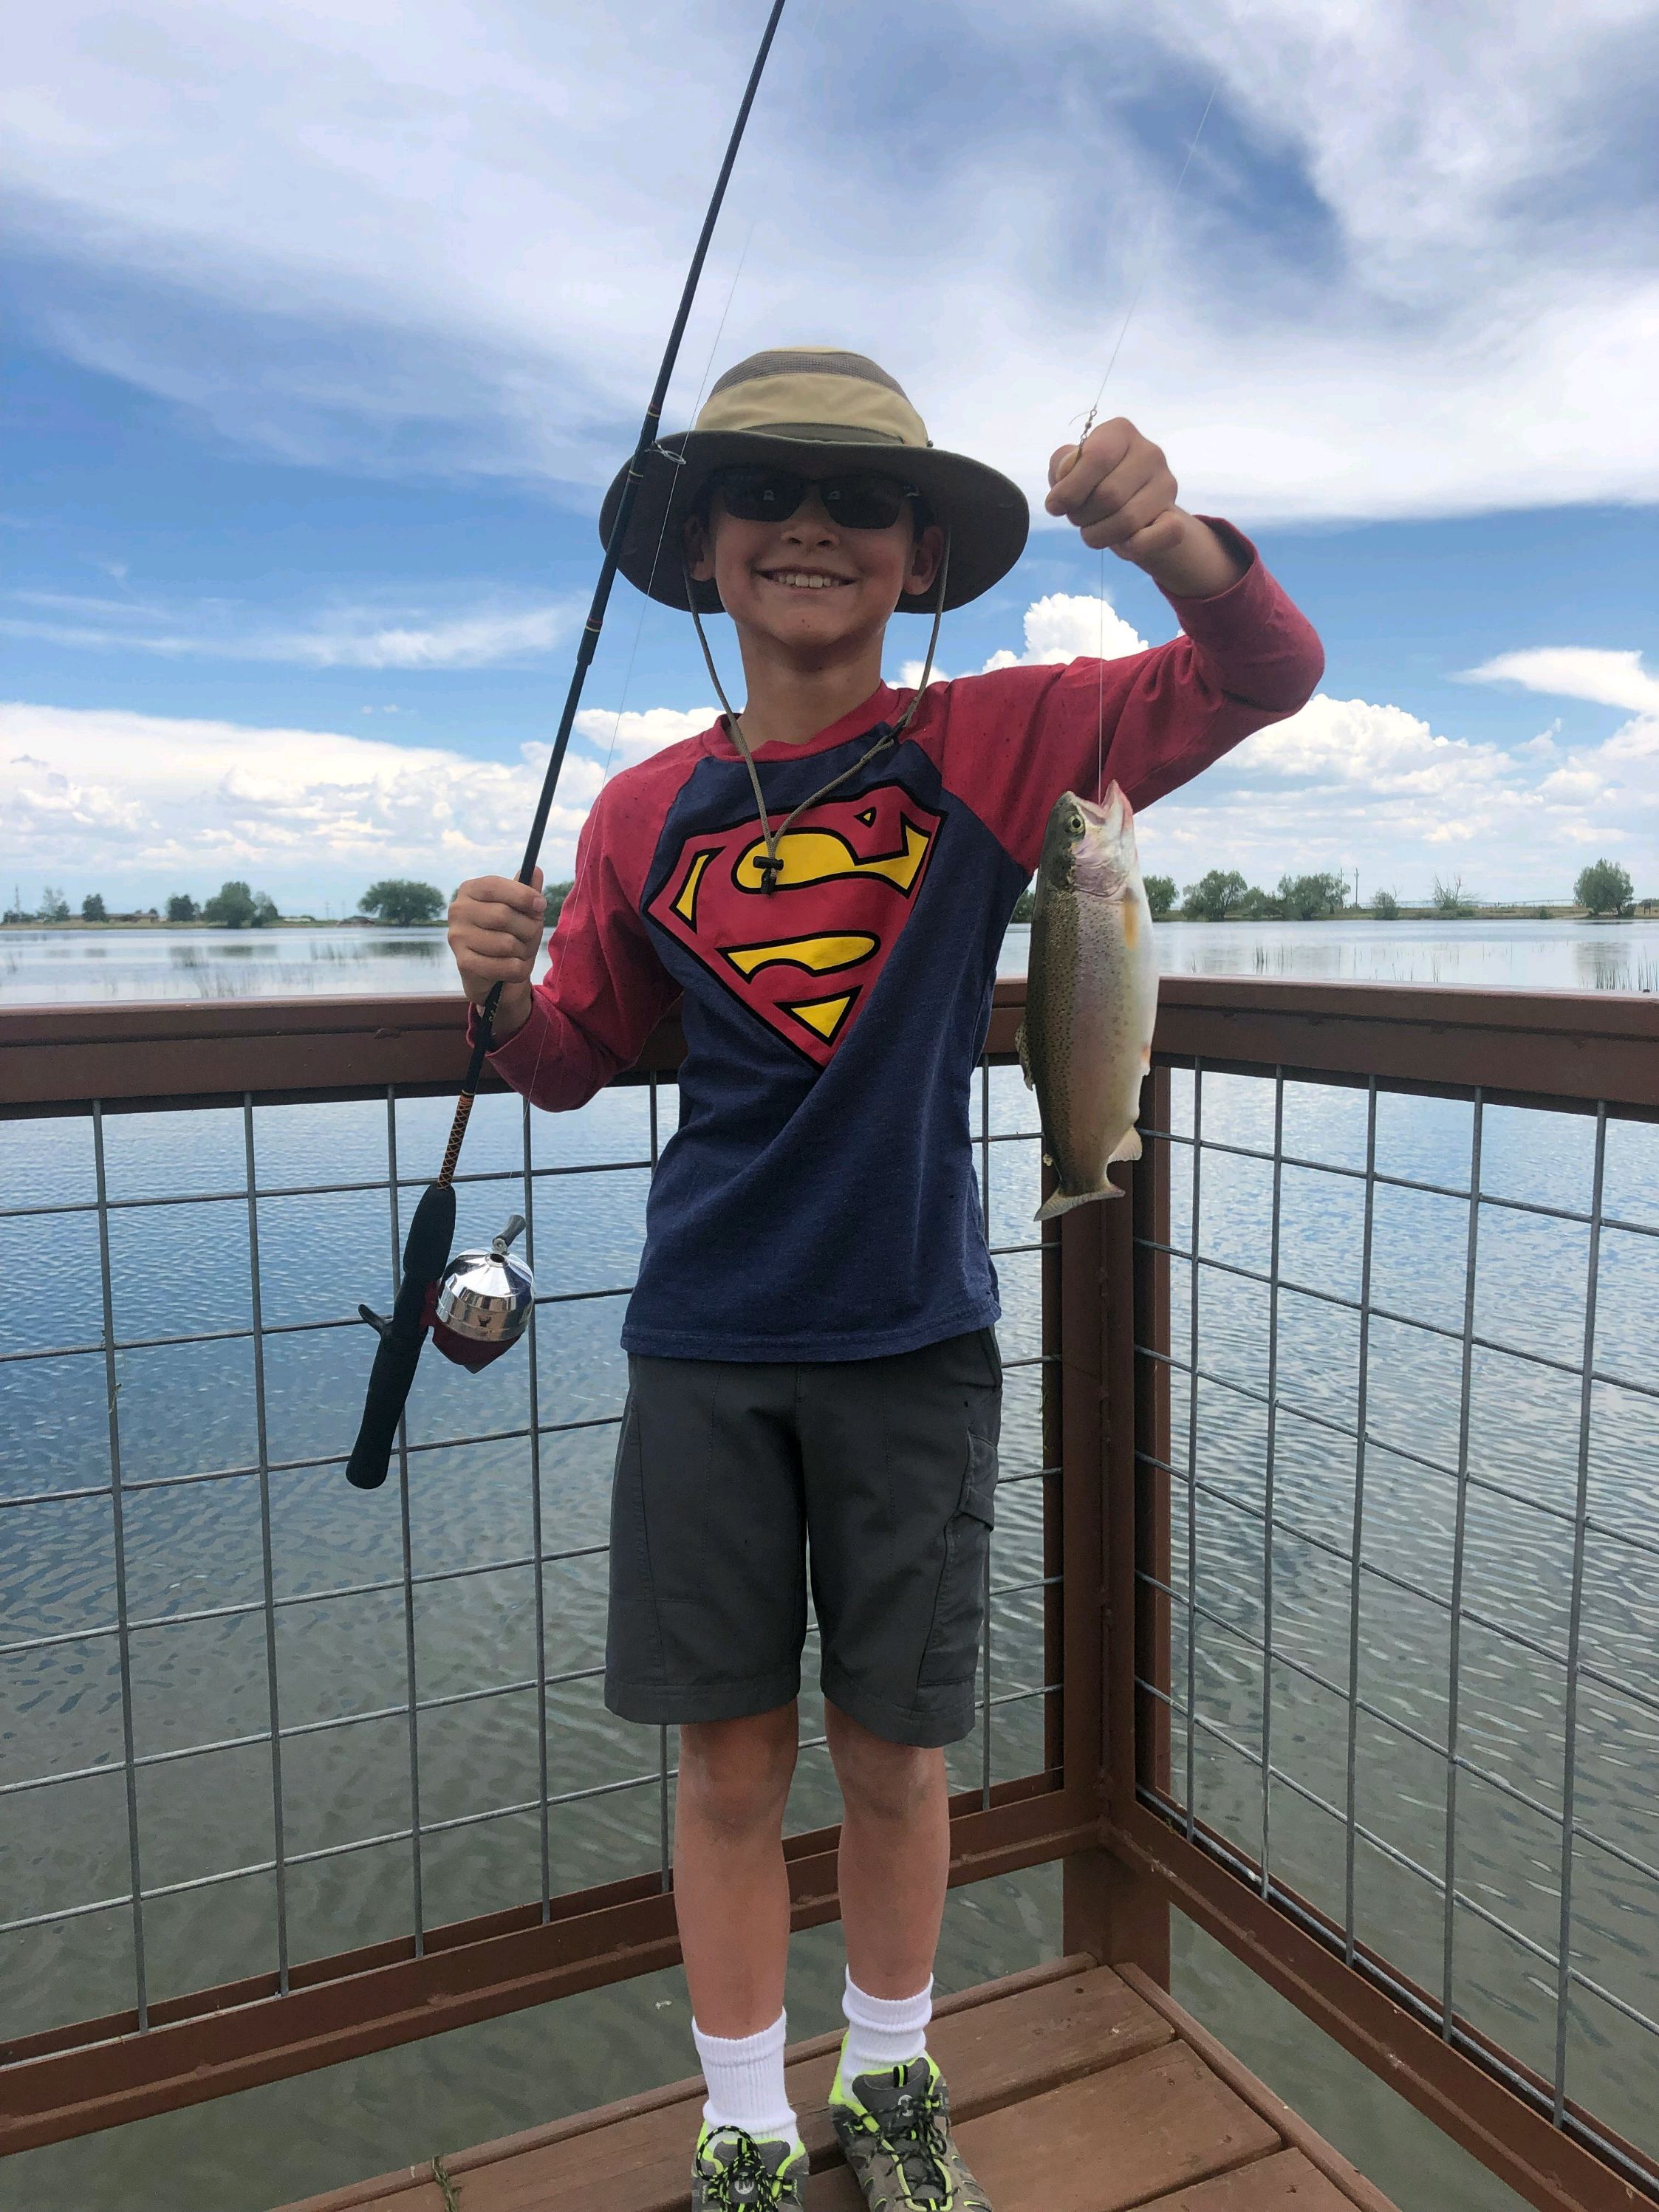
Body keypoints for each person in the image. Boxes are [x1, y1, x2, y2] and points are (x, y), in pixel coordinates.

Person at [447, 347, 1323, 2212]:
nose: (814, 529)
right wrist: (498, 985)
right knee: (728, 1761)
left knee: (902, 1757)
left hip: (916, 1333)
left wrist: (1167, 538)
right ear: (702, 550)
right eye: (767, 495)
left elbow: (1264, 673)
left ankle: (900, 2077)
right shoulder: (641, 812)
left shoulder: (1003, 749)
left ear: (923, 556)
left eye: (859, 502)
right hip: (700, 1343)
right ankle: (750, 2115)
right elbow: (577, 1052)